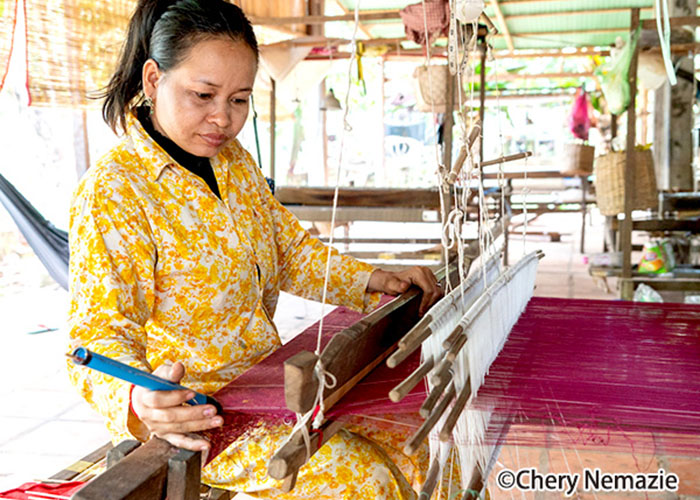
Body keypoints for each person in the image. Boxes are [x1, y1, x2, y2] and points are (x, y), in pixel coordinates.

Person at [67, 0, 443, 498]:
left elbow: (288, 250)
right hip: (202, 412)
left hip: (268, 385)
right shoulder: (116, 191)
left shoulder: (233, 163)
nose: (222, 118)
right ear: (154, 80)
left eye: (239, 99)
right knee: (363, 480)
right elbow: (95, 335)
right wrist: (137, 399)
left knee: (428, 446)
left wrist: (373, 278)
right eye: (203, 95)